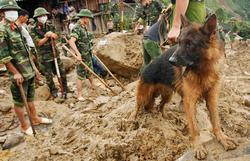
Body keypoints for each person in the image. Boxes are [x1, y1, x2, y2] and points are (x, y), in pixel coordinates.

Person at [0, 0, 52, 135]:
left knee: (29, 97)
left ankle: (34, 118)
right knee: (19, 101)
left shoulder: (15, 27)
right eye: (9, 10)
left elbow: (26, 49)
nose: (13, 12)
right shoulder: (2, 30)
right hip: (18, 73)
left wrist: (34, 69)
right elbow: (4, 56)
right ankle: (23, 125)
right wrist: (15, 72)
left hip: (27, 70)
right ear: (2, 12)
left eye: (14, 10)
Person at [30, 7, 68, 98]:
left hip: (55, 53)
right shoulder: (33, 29)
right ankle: (53, 91)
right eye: (41, 16)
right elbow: (38, 43)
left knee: (61, 71)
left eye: (44, 15)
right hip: (44, 57)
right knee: (49, 76)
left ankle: (65, 88)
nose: (43, 17)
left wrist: (53, 35)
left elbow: (57, 36)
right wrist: (46, 37)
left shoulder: (50, 25)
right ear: (37, 17)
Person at [68, 9, 96, 101]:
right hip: (81, 57)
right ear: (84, 18)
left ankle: (93, 86)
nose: (89, 21)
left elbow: (86, 41)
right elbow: (71, 41)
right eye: (88, 19)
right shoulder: (77, 28)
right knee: (80, 76)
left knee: (90, 71)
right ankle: (79, 95)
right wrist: (78, 54)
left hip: (87, 54)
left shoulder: (83, 27)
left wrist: (91, 50)